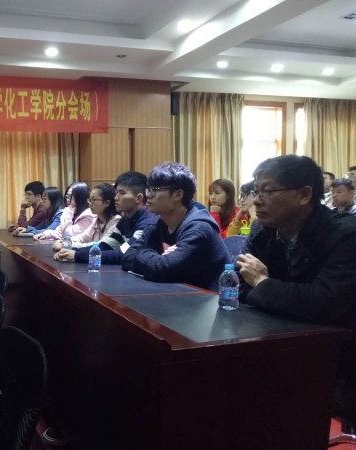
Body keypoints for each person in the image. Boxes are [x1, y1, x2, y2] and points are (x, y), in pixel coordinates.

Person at [236, 155, 356, 430]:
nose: (256, 201)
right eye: (256, 191)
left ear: (304, 195)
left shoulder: (345, 235)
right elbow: (238, 285)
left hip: (338, 355)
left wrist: (263, 283)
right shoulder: (262, 229)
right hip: (278, 344)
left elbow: (322, 303)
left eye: (267, 191)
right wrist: (268, 289)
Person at [121, 163, 229, 291]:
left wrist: (144, 253)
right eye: (148, 189)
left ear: (178, 195)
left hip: (209, 299)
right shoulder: (157, 223)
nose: (149, 195)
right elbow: (127, 257)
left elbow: (164, 269)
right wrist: (157, 258)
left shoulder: (199, 228)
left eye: (155, 190)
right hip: (175, 294)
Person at [56, 172, 154, 265]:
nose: (116, 197)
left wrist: (77, 255)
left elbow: (125, 254)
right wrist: (71, 251)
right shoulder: (125, 220)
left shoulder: (147, 222)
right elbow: (105, 246)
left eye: (122, 193)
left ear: (138, 198)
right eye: (116, 193)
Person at [35, 182, 95, 251]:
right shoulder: (70, 211)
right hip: (68, 248)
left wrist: (68, 213)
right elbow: (59, 232)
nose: (68, 199)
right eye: (67, 196)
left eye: (71, 197)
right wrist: (45, 234)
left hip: (81, 250)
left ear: (80, 197)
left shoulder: (88, 215)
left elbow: (68, 234)